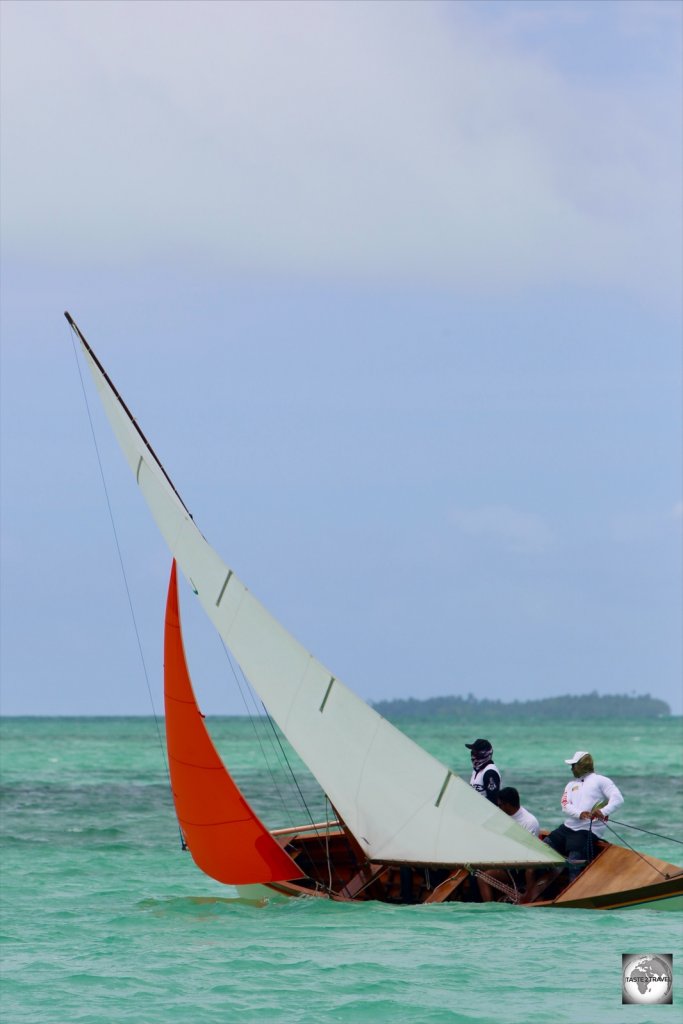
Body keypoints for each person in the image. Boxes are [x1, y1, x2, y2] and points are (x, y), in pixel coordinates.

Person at [544, 750, 623, 879]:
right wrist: (580, 813)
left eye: (573, 766)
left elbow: (618, 799)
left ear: (581, 766)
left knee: (574, 863)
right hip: (567, 828)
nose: (571, 769)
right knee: (543, 847)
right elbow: (565, 805)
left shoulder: (601, 781)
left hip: (586, 831)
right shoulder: (571, 785)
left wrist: (603, 812)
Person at [476, 786, 540, 902]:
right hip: (504, 859)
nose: (498, 808)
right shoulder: (502, 817)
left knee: (482, 878)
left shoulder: (530, 822)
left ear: (508, 805)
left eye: (500, 805)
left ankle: (490, 908)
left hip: (519, 867)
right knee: (474, 868)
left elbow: (526, 852)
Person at [466, 738, 501, 804]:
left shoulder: (490, 772)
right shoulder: (476, 771)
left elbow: (493, 801)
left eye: (476, 753)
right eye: (472, 752)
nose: (473, 756)